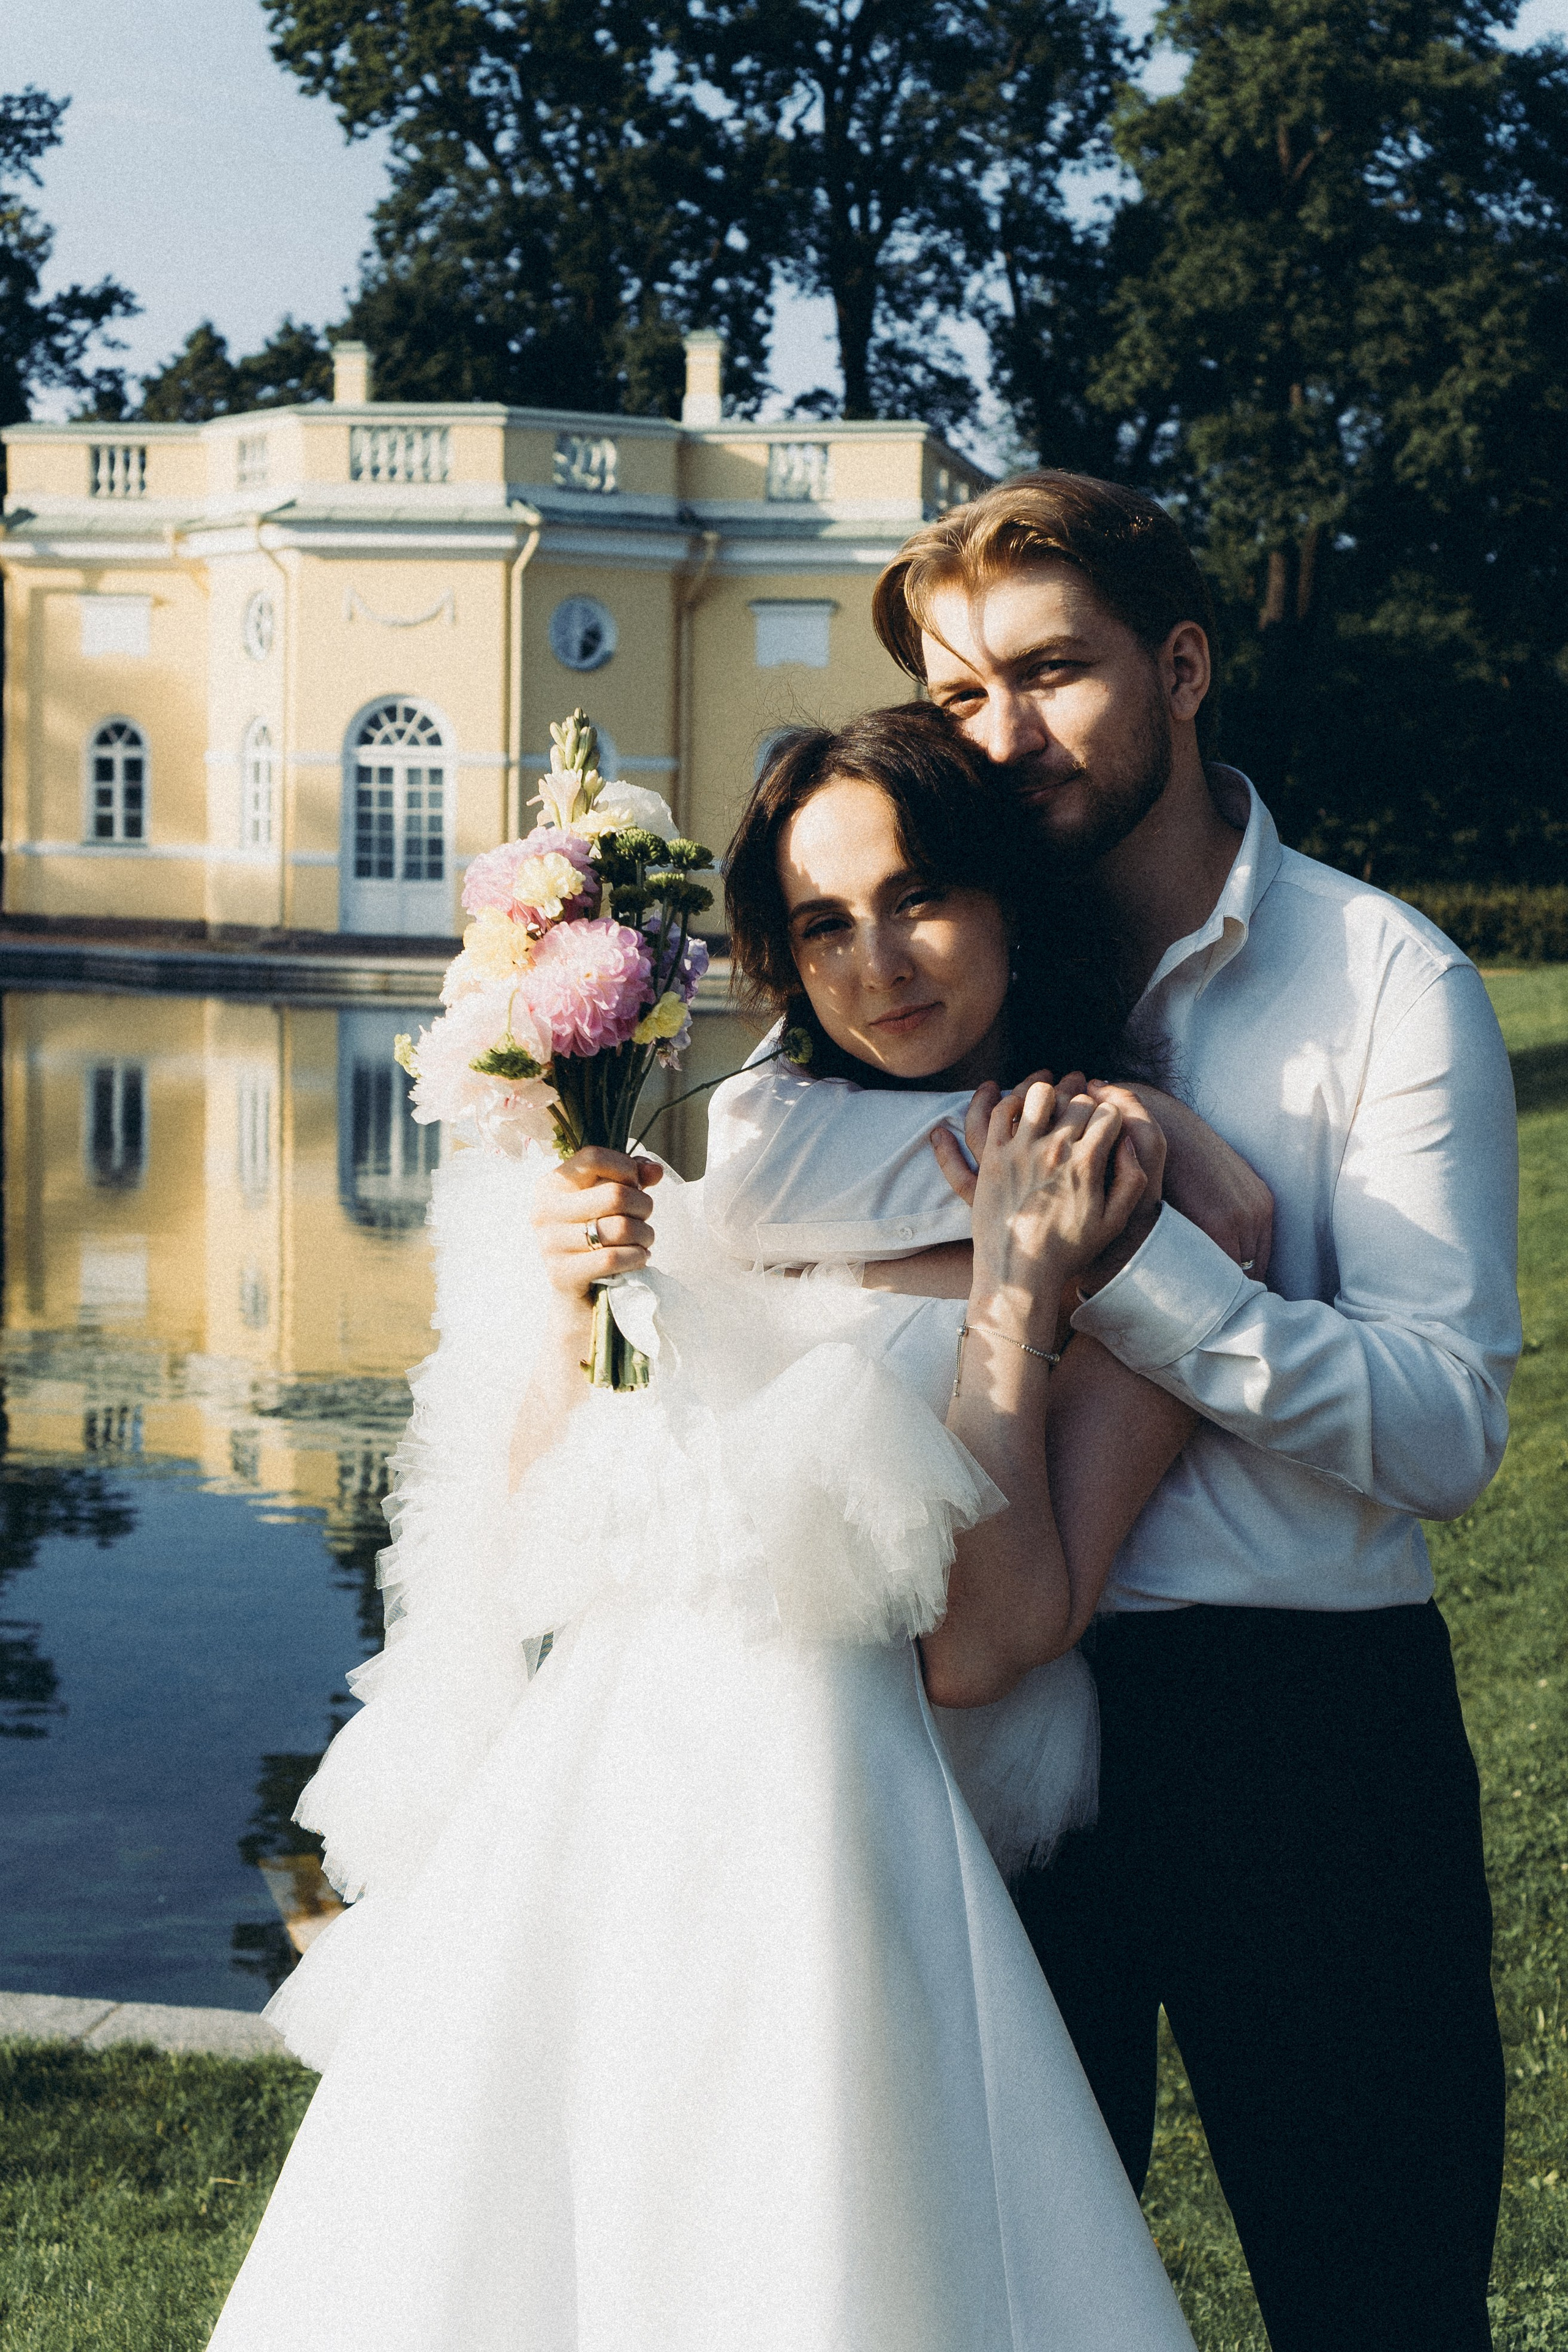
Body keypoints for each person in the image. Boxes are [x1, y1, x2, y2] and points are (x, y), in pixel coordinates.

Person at [208, 706, 1205, 2351]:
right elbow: (545, 1537)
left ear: (1016, 906)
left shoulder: (1116, 1205)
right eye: (823, 924)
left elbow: (986, 1643)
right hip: (594, 1822)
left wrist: (1020, 1295)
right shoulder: (722, 1171)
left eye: (922, 896)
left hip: (829, 1851)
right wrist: (574, 1306)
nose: (879, 961)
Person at [704, 472, 1522, 2352]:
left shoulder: (1387, 979)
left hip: (1301, 1737)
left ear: (1182, 661)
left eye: (1052, 673)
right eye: (960, 689)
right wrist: (1095, 1161)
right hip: (991, 1756)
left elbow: (1448, 1428)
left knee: (1376, 2301)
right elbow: (749, 1158)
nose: (1001, 734)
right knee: (993, 2301)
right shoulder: (955, 922)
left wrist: (1132, 1258)